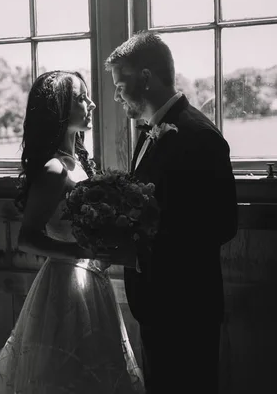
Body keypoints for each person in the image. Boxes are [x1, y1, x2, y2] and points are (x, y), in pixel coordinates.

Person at [0, 70, 145, 394]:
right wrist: (80, 253)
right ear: (58, 110)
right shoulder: (53, 169)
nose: (92, 104)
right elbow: (27, 237)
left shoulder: (79, 162)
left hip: (92, 285)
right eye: (81, 98)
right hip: (64, 285)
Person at [105, 31, 239, 393]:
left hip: (186, 309)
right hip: (156, 307)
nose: (116, 94)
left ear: (146, 78)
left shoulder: (199, 136)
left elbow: (223, 224)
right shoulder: (147, 132)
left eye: (121, 84)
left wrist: (141, 245)